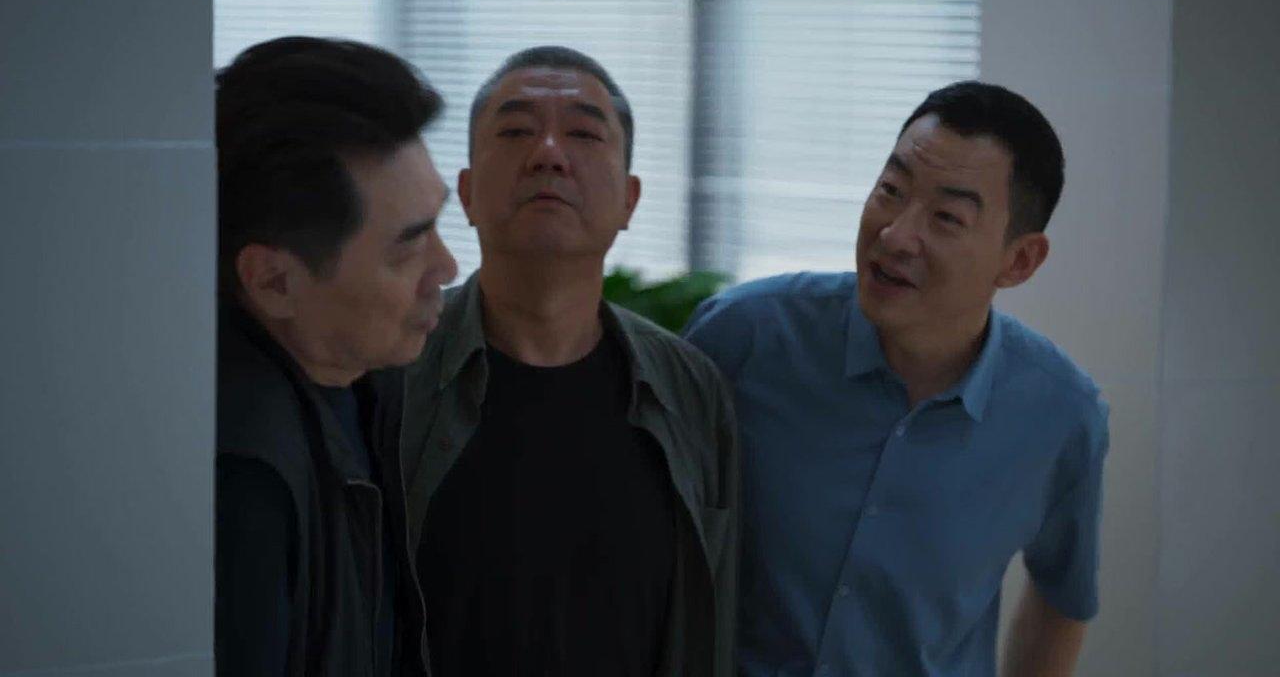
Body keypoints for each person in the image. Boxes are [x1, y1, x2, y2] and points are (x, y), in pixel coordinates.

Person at [684, 81, 1109, 676]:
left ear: (1019, 261)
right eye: (891, 191)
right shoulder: (744, 337)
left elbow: (1063, 597)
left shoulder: (1061, 415)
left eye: (946, 218)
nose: (895, 235)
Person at [397, 46, 738, 677]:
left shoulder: (689, 389)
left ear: (630, 200)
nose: (549, 154)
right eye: (515, 132)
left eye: (583, 134)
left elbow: (711, 622)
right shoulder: (394, 365)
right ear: (466, 194)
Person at [215, 36, 456, 676]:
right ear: (274, 282)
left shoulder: (380, 382)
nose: (446, 267)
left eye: (438, 224)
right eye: (408, 247)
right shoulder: (241, 482)